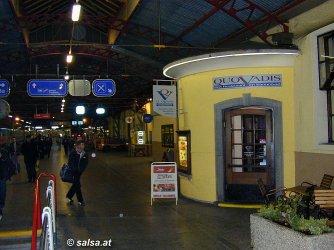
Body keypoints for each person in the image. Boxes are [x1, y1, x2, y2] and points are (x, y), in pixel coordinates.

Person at [66, 139, 88, 206]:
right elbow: (71, 163)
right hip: (74, 172)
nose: (83, 146)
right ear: (78, 146)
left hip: (79, 172)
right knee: (78, 185)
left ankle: (69, 196)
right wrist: (75, 169)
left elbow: (85, 163)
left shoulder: (84, 154)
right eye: (81, 144)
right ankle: (80, 201)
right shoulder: (73, 153)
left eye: (83, 145)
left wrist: (81, 169)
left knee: (76, 185)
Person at [0, 148, 16, 220]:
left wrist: (7, 176)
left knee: (2, 194)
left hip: (2, 179)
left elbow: (12, 167)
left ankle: (1, 207)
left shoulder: (4, 156)